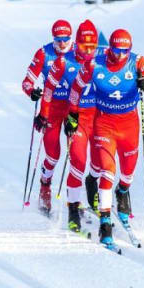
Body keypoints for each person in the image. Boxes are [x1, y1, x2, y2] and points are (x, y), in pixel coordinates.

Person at [68, 29, 144, 244]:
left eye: (124, 51)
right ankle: (105, 222)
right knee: (107, 170)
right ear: (109, 47)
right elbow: (76, 88)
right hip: (104, 123)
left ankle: (123, 191)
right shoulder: (95, 64)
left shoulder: (138, 62)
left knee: (128, 171)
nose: (120, 55)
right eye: (116, 50)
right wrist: (73, 113)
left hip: (129, 125)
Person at [39, 19, 102, 231]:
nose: (89, 51)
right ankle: (72, 207)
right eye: (84, 47)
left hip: (100, 117)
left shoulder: (102, 59)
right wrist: (42, 113)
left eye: (93, 47)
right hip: (73, 115)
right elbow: (47, 89)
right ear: (77, 44)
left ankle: (92, 185)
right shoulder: (63, 62)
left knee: (100, 161)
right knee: (75, 159)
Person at [21, 19, 74, 212]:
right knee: (53, 154)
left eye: (66, 38)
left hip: (72, 108)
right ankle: (45, 184)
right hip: (50, 107)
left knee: (75, 153)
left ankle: (75, 200)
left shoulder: (78, 53)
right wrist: (32, 91)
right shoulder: (43, 53)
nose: (62, 43)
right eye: (58, 39)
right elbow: (27, 81)